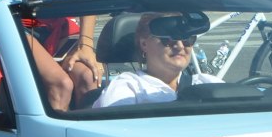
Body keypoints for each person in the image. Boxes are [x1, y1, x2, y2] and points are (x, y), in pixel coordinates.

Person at [93, 12, 222, 108]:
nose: (180, 46)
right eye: (168, 39)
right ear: (144, 44)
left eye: (187, 39)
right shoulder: (128, 87)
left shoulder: (207, 83)